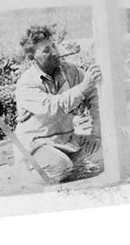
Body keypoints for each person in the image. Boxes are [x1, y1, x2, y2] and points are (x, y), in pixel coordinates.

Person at [14, 25, 102, 184]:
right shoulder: (26, 83)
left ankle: (66, 172)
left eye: (53, 45)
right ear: (31, 57)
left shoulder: (69, 70)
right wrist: (82, 88)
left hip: (66, 141)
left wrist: (96, 133)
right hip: (37, 144)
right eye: (46, 50)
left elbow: (94, 94)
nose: (55, 52)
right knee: (61, 166)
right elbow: (50, 107)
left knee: (105, 156)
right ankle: (27, 173)